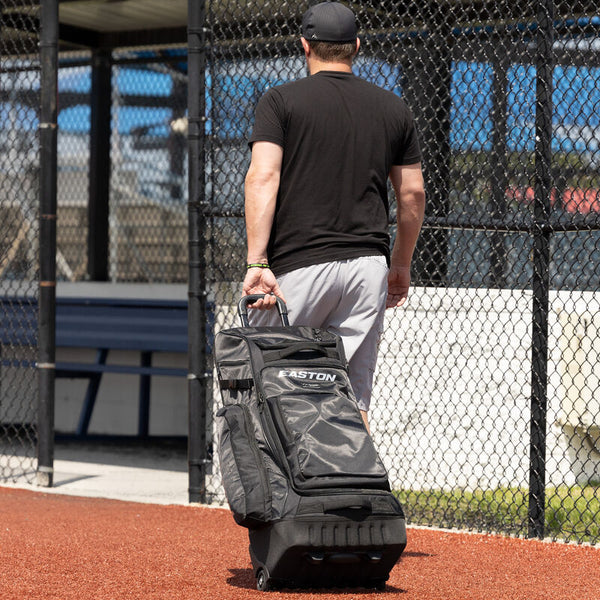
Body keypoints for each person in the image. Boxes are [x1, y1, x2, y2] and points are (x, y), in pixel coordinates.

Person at [242, 1, 425, 432]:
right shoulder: (393, 107)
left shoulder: (280, 101)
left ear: (305, 45)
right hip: (367, 269)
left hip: (298, 267)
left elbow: (262, 177)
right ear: (356, 46)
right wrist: (399, 265)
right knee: (351, 396)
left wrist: (256, 261)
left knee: (269, 385)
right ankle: (348, 493)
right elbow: (412, 193)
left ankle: (282, 498)